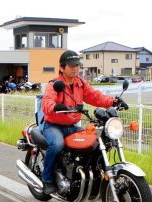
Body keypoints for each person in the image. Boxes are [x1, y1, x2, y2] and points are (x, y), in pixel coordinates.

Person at [41, 50, 117, 194]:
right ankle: (47, 179)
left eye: (77, 65)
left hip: (72, 126)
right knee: (57, 145)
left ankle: (88, 177)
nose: (76, 68)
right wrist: (56, 106)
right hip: (53, 125)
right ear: (62, 67)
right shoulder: (54, 84)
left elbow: (95, 96)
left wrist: (112, 101)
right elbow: (47, 102)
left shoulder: (80, 83)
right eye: (72, 65)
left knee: (94, 141)